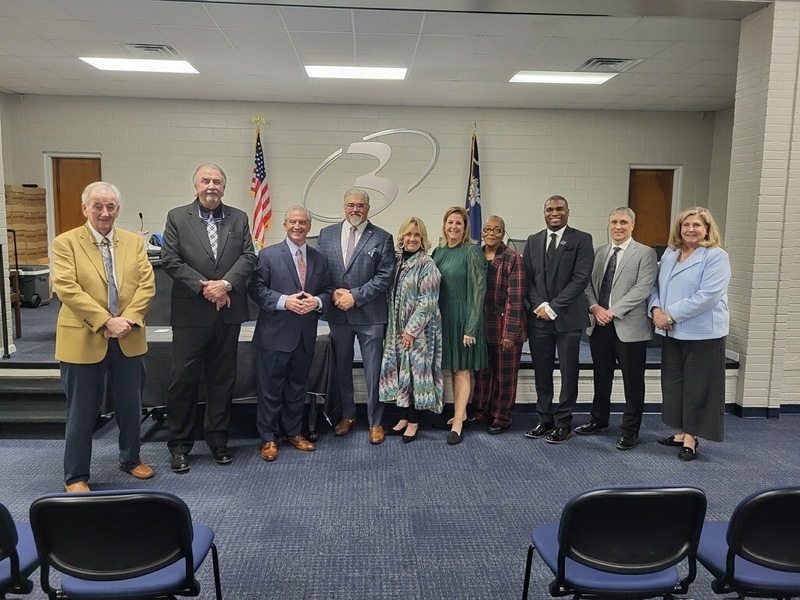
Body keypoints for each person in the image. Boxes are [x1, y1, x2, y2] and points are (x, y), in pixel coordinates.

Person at [52, 181, 156, 492]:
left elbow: (147, 286)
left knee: (130, 405)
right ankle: (76, 476)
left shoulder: (133, 243)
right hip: (83, 339)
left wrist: (129, 320)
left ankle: (131, 458)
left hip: (128, 336)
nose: (105, 212)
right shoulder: (65, 243)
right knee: (82, 411)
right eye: (97, 205)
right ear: (85, 209)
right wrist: (105, 322)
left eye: (111, 206)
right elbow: (67, 288)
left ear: (118, 210)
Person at [161, 163, 257, 473]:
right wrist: (208, 289)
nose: (211, 186)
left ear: (224, 188)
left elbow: (249, 257)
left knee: (221, 380)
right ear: (196, 186)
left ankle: (218, 440)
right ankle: (180, 445)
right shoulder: (177, 217)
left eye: (217, 181)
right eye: (205, 181)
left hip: (227, 313)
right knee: (183, 381)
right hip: (191, 313)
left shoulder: (239, 218)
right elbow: (170, 260)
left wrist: (226, 285)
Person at [249, 206, 333, 461]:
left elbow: (328, 290)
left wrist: (316, 302)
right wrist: (285, 301)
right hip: (274, 335)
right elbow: (256, 289)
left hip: (305, 335)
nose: (298, 226)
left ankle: (293, 433)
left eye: (303, 222)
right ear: (285, 225)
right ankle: (268, 438)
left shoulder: (320, 259)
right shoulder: (267, 255)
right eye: (293, 222)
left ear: (309, 227)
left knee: (297, 388)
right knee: (270, 389)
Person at [649, 206, 730, 461]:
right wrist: (655, 310)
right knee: (675, 385)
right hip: (672, 332)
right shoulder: (671, 254)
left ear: (707, 229)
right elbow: (656, 287)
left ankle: (692, 439)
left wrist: (670, 314)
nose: (691, 230)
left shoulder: (716, 256)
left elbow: (707, 296)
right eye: (686, 225)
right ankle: (681, 432)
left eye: (697, 225)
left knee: (698, 387)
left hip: (703, 334)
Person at [574, 207, 657, 450]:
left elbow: (642, 289)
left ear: (632, 225)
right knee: (602, 377)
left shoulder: (645, 253)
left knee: (633, 382)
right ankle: (598, 419)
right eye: (613, 222)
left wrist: (612, 311)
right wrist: (595, 309)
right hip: (599, 326)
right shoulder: (599, 252)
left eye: (623, 222)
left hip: (629, 327)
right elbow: (587, 285)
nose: (618, 227)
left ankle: (630, 430)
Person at [317, 188, 395, 445]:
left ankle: (375, 422)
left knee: (374, 372)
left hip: (370, 315)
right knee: (342, 369)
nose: (355, 209)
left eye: (360, 205)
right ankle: (347, 415)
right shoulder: (326, 235)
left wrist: (355, 296)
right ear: (344, 207)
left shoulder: (382, 237)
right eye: (351, 204)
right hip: (337, 313)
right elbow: (320, 271)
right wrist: (336, 295)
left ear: (368, 209)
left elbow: (385, 276)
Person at [522, 195, 593, 444]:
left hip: (568, 320)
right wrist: (540, 306)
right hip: (539, 320)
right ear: (544, 213)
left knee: (567, 373)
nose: (555, 212)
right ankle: (545, 419)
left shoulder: (582, 240)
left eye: (559, 209)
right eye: (550, 209)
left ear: (568, 211)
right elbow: (527, 279)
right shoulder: (533, 241)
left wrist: (553, 307)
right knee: (542, 372)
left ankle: (564, 423)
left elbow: (580, 279)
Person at [380, 217, 443, 443]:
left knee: (416, 373)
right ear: (402, 237)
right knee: (401, 371)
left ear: (423, 239)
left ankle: (415, 421)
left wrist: (411, 330)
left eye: (417, 235)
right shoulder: (397, 262)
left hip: (419, 331)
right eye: (408, 234)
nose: (412, 239)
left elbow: (428, 302)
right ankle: (404, 416)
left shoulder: (427, 265)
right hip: (397, 328)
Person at [432, 206, 488, 445]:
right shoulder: (438, 251)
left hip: (464, 319)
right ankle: (460, 411)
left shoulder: (472, 252)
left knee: (462, 370)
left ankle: (457, 422)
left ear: (465, 228)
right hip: (442, 318)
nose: (453, 227)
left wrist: (471, 326)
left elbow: (479, 290)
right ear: (444, 225)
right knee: (452, 368)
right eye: (450, 222)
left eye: (459, 223)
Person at [471, 216, 526, 434]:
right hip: (482, 326)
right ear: (482, 232)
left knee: (505, 376)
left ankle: (501, 417)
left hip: (506, 327)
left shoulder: (513, 258)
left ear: (503, 233)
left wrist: (509, 334)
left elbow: (517, 298)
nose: (492, 233)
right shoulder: (475, 255)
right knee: (482, 374)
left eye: (497, 230)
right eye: (488, 229)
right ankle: (481, 411)